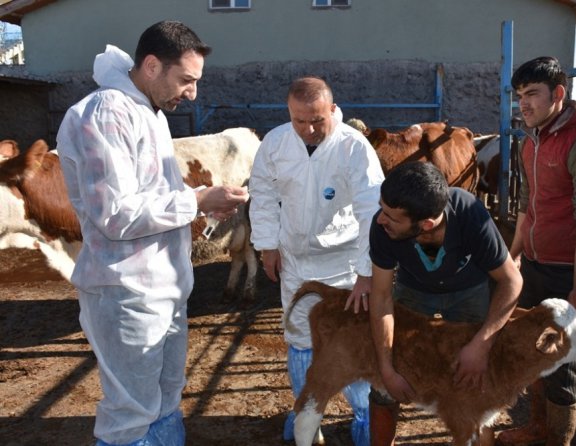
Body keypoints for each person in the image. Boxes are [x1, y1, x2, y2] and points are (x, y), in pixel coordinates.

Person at [57, 21, 249, 446]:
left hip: (162, 286)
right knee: (130, 412)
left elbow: (152, 193)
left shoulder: (147, 112)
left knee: (162, 398)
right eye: (186, 80)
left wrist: (203, 198)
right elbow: (116, 214)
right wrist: (197, 201)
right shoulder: (106, 113)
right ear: (150, 65)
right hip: (125, 291)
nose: (193, 93)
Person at [249, 76, 385, 445]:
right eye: (299, 120)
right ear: (288, 113)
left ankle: (363, 418)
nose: (309, 129)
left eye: (317, 120)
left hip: (343, 264)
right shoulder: (276, 143)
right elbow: (261, 193)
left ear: (333, 109)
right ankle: (306, 415)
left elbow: (371, 212)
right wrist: (267, 245)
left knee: (353, 342)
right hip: (296, 261)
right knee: (300, 339)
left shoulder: (353, 147)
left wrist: (366, 272)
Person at [368, 161, 523, 445]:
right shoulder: (383, 227)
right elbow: (380, 297)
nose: (380, 218)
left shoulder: (471, 214)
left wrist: (481, 344)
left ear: (426, 224)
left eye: (391, 216)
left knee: (478, 379)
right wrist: (387, 370)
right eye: (382, 208)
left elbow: (512, 281)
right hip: (413, 290)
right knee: (383, 388)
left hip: (468, 291)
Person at [497, 56, 576, 446]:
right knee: (534, 349)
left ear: (558, 94)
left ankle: (556, 439)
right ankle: (537, 428)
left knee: (562, 360)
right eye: (519, 96)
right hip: (534, 263)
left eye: (532, 94)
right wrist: (512, 256)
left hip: (568, 270)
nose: (523, 104)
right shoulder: (534, 138)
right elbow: (529, 204)